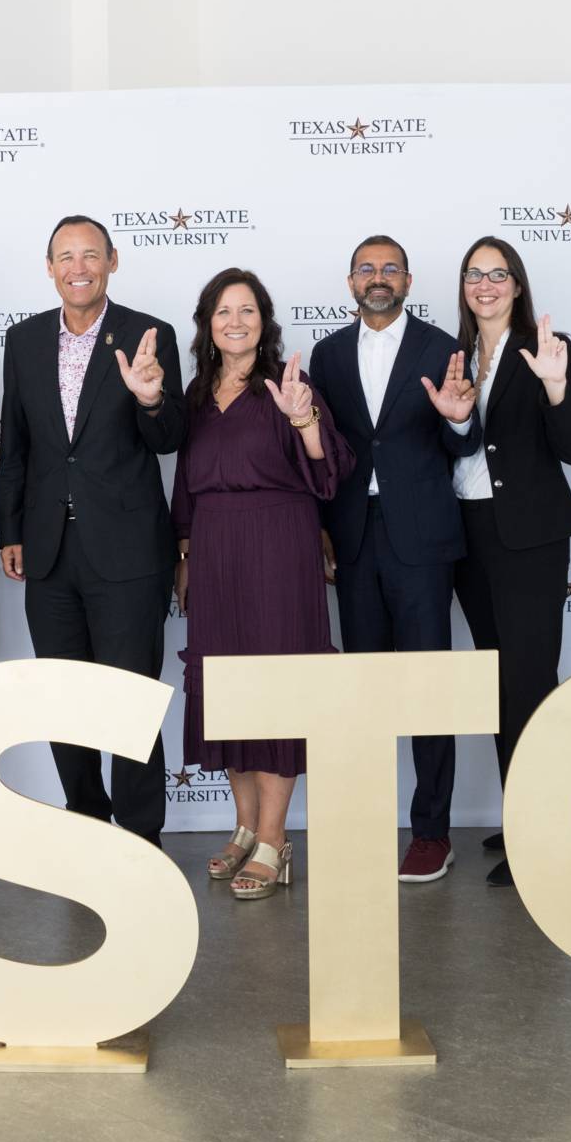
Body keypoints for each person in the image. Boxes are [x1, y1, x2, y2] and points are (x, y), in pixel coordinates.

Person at [0, 214, 187, 845]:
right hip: (48, 552)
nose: (78, 267)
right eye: (65, 257)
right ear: (49, 268)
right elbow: (16, 447)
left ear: (112, 261)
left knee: (129, 701)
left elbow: (169, 441)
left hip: (129, 552)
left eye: (90, 255)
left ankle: (141, 838)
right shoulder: (22, 341)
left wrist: (151, 399)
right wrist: (10, 532)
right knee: (62, 698)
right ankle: (86, 825)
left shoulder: (146, 335)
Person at [172, 270, 353, 899]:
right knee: (228, 692)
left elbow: (331, 474)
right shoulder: (195, 394)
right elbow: (184, 488)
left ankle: (276, 839)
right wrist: (186, 552)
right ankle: (245, 826)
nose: (236, 321)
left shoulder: (289, 387)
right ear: (209, 323)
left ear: (264, 321)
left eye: (247, 310)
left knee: (279, 691)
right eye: (224, 311)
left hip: (280, 546)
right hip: (215, 550)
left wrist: (304, 423)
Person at [308, 233, 481, 882]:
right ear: (351, 281)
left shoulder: (442, 348)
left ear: (408, 280)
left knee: (427, 687)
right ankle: (362, 820)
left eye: (390, 268)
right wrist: (322, 530)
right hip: (353, 539)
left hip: (422, 541)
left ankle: (432, 830)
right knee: (365, 686)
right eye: (366, 268)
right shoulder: (324, 356)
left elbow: (465, 442)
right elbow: (317, 449)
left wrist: (460, 420)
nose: (378, 277)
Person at [443, 237, 571, 888]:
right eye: (475, 274)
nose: (486, 285)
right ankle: (523, 813)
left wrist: (558, 388)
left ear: (516, 283)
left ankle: (545, 832)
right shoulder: (454, 354)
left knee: (531, 680)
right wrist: (454, 423)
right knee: (499, 684)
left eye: (497, 274)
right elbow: (456, 444)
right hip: (467, 535)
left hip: (529, 538)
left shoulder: (545, 350)